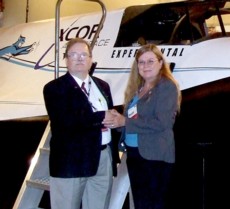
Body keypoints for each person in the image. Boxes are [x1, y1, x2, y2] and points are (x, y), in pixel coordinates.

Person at [43, 38, 120, 209]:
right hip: (71, 162)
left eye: (84, 54)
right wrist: (101, 116)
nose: (79, 58)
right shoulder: (54, 88)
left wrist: (117, 120)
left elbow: (109, 114)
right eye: (74, 54)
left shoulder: (102, 86)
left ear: (91, 59)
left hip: (102, 158)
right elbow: (65, 121)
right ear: (66, 59)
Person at [103, 44, 181, 209]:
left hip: (154, 157)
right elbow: (132, 119)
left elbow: (163, 123)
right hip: (135, 154)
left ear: (160, 63)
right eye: (141, 62)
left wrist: (125, 122)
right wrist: (117, 121)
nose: (145, 66)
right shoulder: (138, 88)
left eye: (150, 61)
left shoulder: (166, 86)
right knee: (140, 203)